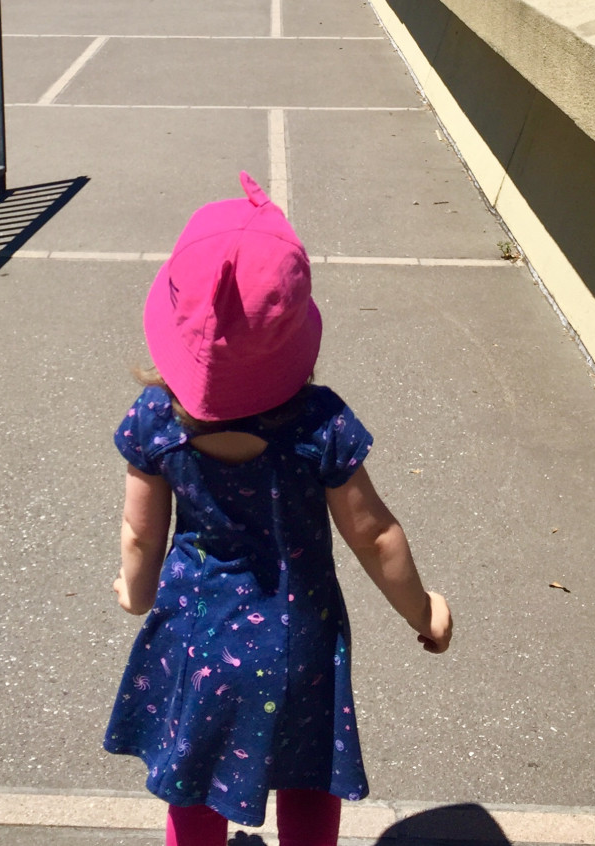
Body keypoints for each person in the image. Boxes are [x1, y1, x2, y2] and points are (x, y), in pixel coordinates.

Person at [104, 173, 452, 846]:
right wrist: (424, 611)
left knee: (192, 781)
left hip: (195, 637)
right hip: (300, 638)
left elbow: (141, 536)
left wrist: (136, 595)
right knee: (308, 773)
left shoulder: (156, 420)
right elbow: (375, 535)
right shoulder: (319, 424)